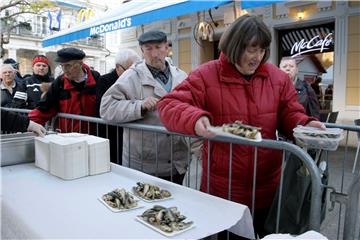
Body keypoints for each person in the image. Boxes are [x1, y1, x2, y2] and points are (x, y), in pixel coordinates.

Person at [156, 15, 325, 238]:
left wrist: (305, 124)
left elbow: (289, 112)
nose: (258, 57)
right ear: (235, 46)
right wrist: (195, 119)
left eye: (263, 50)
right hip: (224, 188)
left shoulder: (278, 78)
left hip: (268, 185)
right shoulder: (207, 75)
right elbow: (169, 105)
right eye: (251, 50)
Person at [100, 30, 188, 183]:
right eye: (149, 49)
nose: (155, 54)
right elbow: (106, 109)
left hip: (176, 162)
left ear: (166, 47)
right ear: (142, 51)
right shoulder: (131, 76)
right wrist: (139, 106)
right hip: (144, 165)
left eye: (158, 47)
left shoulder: (181, 76)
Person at [29, 48, 100, 132]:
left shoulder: (97, 78)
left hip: (95, 137)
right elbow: (45, 108)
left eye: (68, 65)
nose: (64, 70)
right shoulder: (59, 83)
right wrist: (27, 123)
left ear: (80, 64)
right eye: (62, 65)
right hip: (68, 137)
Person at [96, 48, 141, 164]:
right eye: (129, 70)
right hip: (112, 133)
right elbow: (106, 108)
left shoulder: (135, 79)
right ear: (117, 67)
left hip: (130, 134)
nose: (133, 73)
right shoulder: (105, 80)